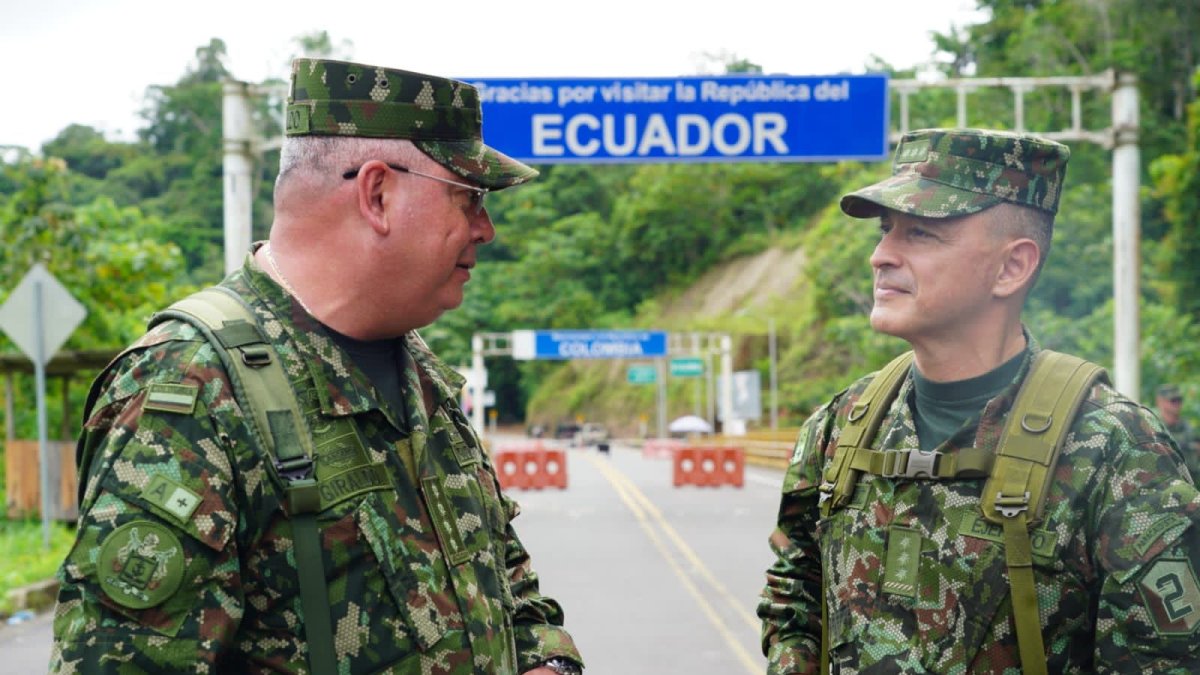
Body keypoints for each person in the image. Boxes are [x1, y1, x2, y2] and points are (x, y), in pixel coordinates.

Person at [50, 58, 584, 675]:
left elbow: (502, 580)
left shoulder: (418, 371)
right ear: (378, 193)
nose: (485, 229)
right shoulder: (190, 389)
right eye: (469, 199)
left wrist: (549, 661)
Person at [758, 128, 1200, 673]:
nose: (880, 256)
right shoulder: (840, 428)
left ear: (1012, 267)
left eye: (920, 234)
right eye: (885, 230)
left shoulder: (1116, 451)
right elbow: (793, 595)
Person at [1157, 383, 1200, 478]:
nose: (1177, 404)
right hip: (1166, 485)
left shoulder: (1190, 429)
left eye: (1179, 400)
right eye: (1173, 400)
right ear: (1160, 402)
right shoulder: (1154, 428)